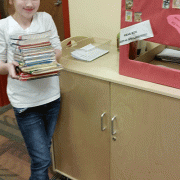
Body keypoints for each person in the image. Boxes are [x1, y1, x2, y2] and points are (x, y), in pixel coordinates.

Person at [0, 0, 62, 179]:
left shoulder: (46, 19)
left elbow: (58, 49)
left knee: (44, 146)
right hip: (25, 103)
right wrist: (8, 67)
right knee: (41, 159)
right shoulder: (4, 26)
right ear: (11, 0)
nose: (29, 3)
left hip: (51, 98)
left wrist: (43, 57)